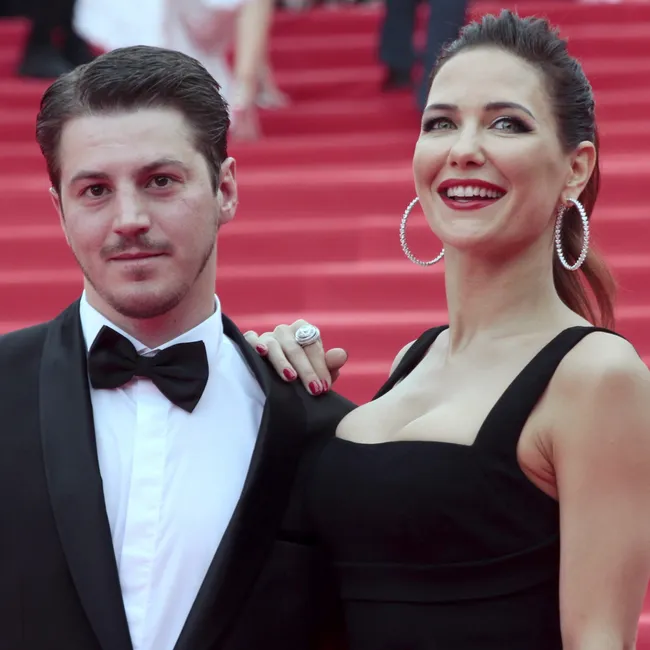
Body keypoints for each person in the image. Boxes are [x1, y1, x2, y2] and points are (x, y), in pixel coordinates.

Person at [244, 11, 650, 649]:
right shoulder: (414, 358)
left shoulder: (597, 376)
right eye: (440, 123)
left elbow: (599, 639)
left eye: (506, 123)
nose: (464, 149)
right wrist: (276, 387)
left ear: (576, 168)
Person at [0, 45, 351, 650]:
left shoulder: (314, 428)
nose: (129, 218)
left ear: (226, 190)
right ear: (59, 210)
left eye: (160, 181)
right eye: (95, 190)